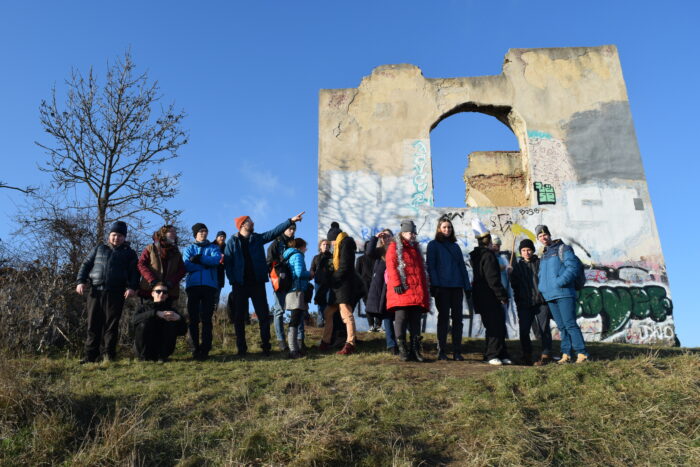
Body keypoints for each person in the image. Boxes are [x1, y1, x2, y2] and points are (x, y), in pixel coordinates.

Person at [225, 212, 305, 356]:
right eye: (250, 221)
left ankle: (266, 347)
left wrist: (290, 221)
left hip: (257, 282)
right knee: (239, 318)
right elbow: (228, 263)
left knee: (263, 315)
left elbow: (274, 232)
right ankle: (241, 349)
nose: (253, 222)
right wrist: (233, 280)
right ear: (242, 225)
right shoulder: (232, 242)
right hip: (240, 284)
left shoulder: (257, 238)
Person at [76, 221, 138, 363]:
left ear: (124, 237)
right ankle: (90, 356)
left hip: (116, 293)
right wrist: (80, 281)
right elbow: (86, 265)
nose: (117, 238)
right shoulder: (99, 248)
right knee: (93, 324)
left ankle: (108, 356)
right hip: (95, 291)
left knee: (111, 325)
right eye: (114, 235)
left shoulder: (130, 253)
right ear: (109, 235)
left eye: (120, 236)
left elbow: (134, 273)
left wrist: (131, 287)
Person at [536, 225, 589, 364]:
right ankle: (566, 354)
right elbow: (541, 274)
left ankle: (582, 353)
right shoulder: (544, 254)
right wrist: (542, 288)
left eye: (545, 235)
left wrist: (559, 282)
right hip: (550, 295)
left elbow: (573, 267)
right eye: (540, 236)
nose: (543, 238)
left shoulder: (563, 248)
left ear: (549, 235)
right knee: (562, 326)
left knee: (570, 324)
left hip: (564, 293)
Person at [427, 217, 472, 361]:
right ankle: (441, 351)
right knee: (444, 319)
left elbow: (462, 267)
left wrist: (467, 286)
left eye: (449, 227)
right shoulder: (433, 245)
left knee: (458, 320)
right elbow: (431, 266)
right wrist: (435, 285)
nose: (447, 230)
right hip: (442, 288)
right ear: (439, 229)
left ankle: (457, 351)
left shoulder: (455, 246)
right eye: (444, 227)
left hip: (457, 287)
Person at [469, 218, 512, 366]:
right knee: (495, 325)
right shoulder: (488, 256)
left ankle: (501, 353)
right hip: (489, 296)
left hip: (481, 296)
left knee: (496, 325)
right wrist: (502, 295)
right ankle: (491, 355)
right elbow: (492, 278)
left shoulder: (477, 255)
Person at [385, 220, 430, 362]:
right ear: (403, 233)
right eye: (411, 233)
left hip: (416, 290)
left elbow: (421, 270)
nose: (413, 235)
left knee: (416, 319)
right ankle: (403, 349)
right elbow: (391, 265)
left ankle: (415, 350)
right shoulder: (394, 246)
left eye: (414, 233)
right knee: (401, 317)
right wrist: (397, 283)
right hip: (402, 289)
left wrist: (424, 288)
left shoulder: (416, 248)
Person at [183, 223, 223, 361]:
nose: (204, 233)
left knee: (207, 319)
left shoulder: (214, 247)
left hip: (209, 286)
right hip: (193, 286)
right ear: (195, 234)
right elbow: (186, 265)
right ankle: (194, 349)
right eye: (201, 231)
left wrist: (199, 258)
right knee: (193, 319)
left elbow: (216, 260)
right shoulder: (189, 248)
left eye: (205, 231)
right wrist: (205, 266)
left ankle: (205, 349)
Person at [510, 238, 553, 365]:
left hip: (541, 302)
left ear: (533, 251)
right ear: (520, 252)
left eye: (528, 250)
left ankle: (546, 354)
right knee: (524, 330)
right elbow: (514, 286)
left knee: (544, 329)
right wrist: (509, 274)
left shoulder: (540, 263)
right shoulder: (517, 267)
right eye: (523, 250)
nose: (526, 252)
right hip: (524, 304)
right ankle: (526, 355)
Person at [319, 222, 359, 355]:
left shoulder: (346, 243)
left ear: (335, 238)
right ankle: (326, 341)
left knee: (346, 313)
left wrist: (333, 278)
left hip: (344, 284)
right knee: (328, 312)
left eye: (332, 241)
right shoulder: (339, 246)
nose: (331, 244)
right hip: (337, 286)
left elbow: (345, 266)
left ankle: (350, 343)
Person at [132, 282, 186, 362]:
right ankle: (144, 357)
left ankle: (162, 356)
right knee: (143, 323)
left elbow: (183, 331)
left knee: (171, 323)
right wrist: (155, 313)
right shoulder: (143, 308)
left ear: (167, 295)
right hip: (144, 351)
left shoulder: (171, 311)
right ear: (152, 294)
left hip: (162, 352)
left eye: (165, 292)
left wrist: (179, 319)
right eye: (158, 291)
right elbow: (133, 321)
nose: (161, 294)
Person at [365, 229, 398, 354]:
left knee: (400, 316)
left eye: (388, 236)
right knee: (387, 316)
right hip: (383, 288)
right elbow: (369, 252)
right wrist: (375, 237)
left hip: (396, 286)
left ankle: (402, 342)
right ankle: (392, 345)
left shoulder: (397, 249)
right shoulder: (380, 251)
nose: (385, 238)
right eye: (383, 237)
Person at [137, 224, 186, 305]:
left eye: (175, 232)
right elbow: (141, 264)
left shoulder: (176, 252)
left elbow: (182, 270)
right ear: (163, 234)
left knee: (167, 313)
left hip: (169, 292)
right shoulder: (150, 248)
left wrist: (171, 282)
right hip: (149, 290)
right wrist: (151, 279)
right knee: (148, 312)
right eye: (171, 231)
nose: (174, 234)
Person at [266, 222, 297, 351]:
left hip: (293, 279)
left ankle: (295, 341)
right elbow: (269, 261)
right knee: (279, 310)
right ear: (284, 229)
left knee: (295, 309)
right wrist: (279, 267)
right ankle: (281, 341)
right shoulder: (276, 243)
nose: (292, 231)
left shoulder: (294, 243)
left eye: (294, 229)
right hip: (280, 280)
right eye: (290, 228)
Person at [282, 238, 313, 358]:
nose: (306, 249)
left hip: (292, 290)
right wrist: (310, 274)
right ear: (301, 247)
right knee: (295, 320)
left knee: (296, 319)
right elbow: (299, 273)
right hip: (296, 290)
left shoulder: (289, 256)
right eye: (305, 247)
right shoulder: (298, 255)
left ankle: (295, 349)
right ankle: (293, 350)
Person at [356, 241, 380, 331]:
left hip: (377, 284)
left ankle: (378, 325)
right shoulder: (360, 259)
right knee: (368, 305)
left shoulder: (378, 259)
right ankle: (371, 325)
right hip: (365, 286)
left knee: (379, 304)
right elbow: (357, 273)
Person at [310, 239, 332, 327]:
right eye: (324, 244)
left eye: (327, 244)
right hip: (318, 282)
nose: (325, 246)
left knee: (329, 301)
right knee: (320, 301)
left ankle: (328, 320)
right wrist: (311, 273)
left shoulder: (332, 257)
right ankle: (320, 320)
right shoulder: (316, 258)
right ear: (320, 246)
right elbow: (312, 268)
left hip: (330, 283)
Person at [213, 231, 227, 311]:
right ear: (216, 237)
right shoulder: (211, 246)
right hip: (210, 275)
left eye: (224, 237)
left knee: (216, 297)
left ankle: (214, 314)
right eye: (221, 236)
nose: (222, 238)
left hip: (220, 276)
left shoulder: (227, 248)